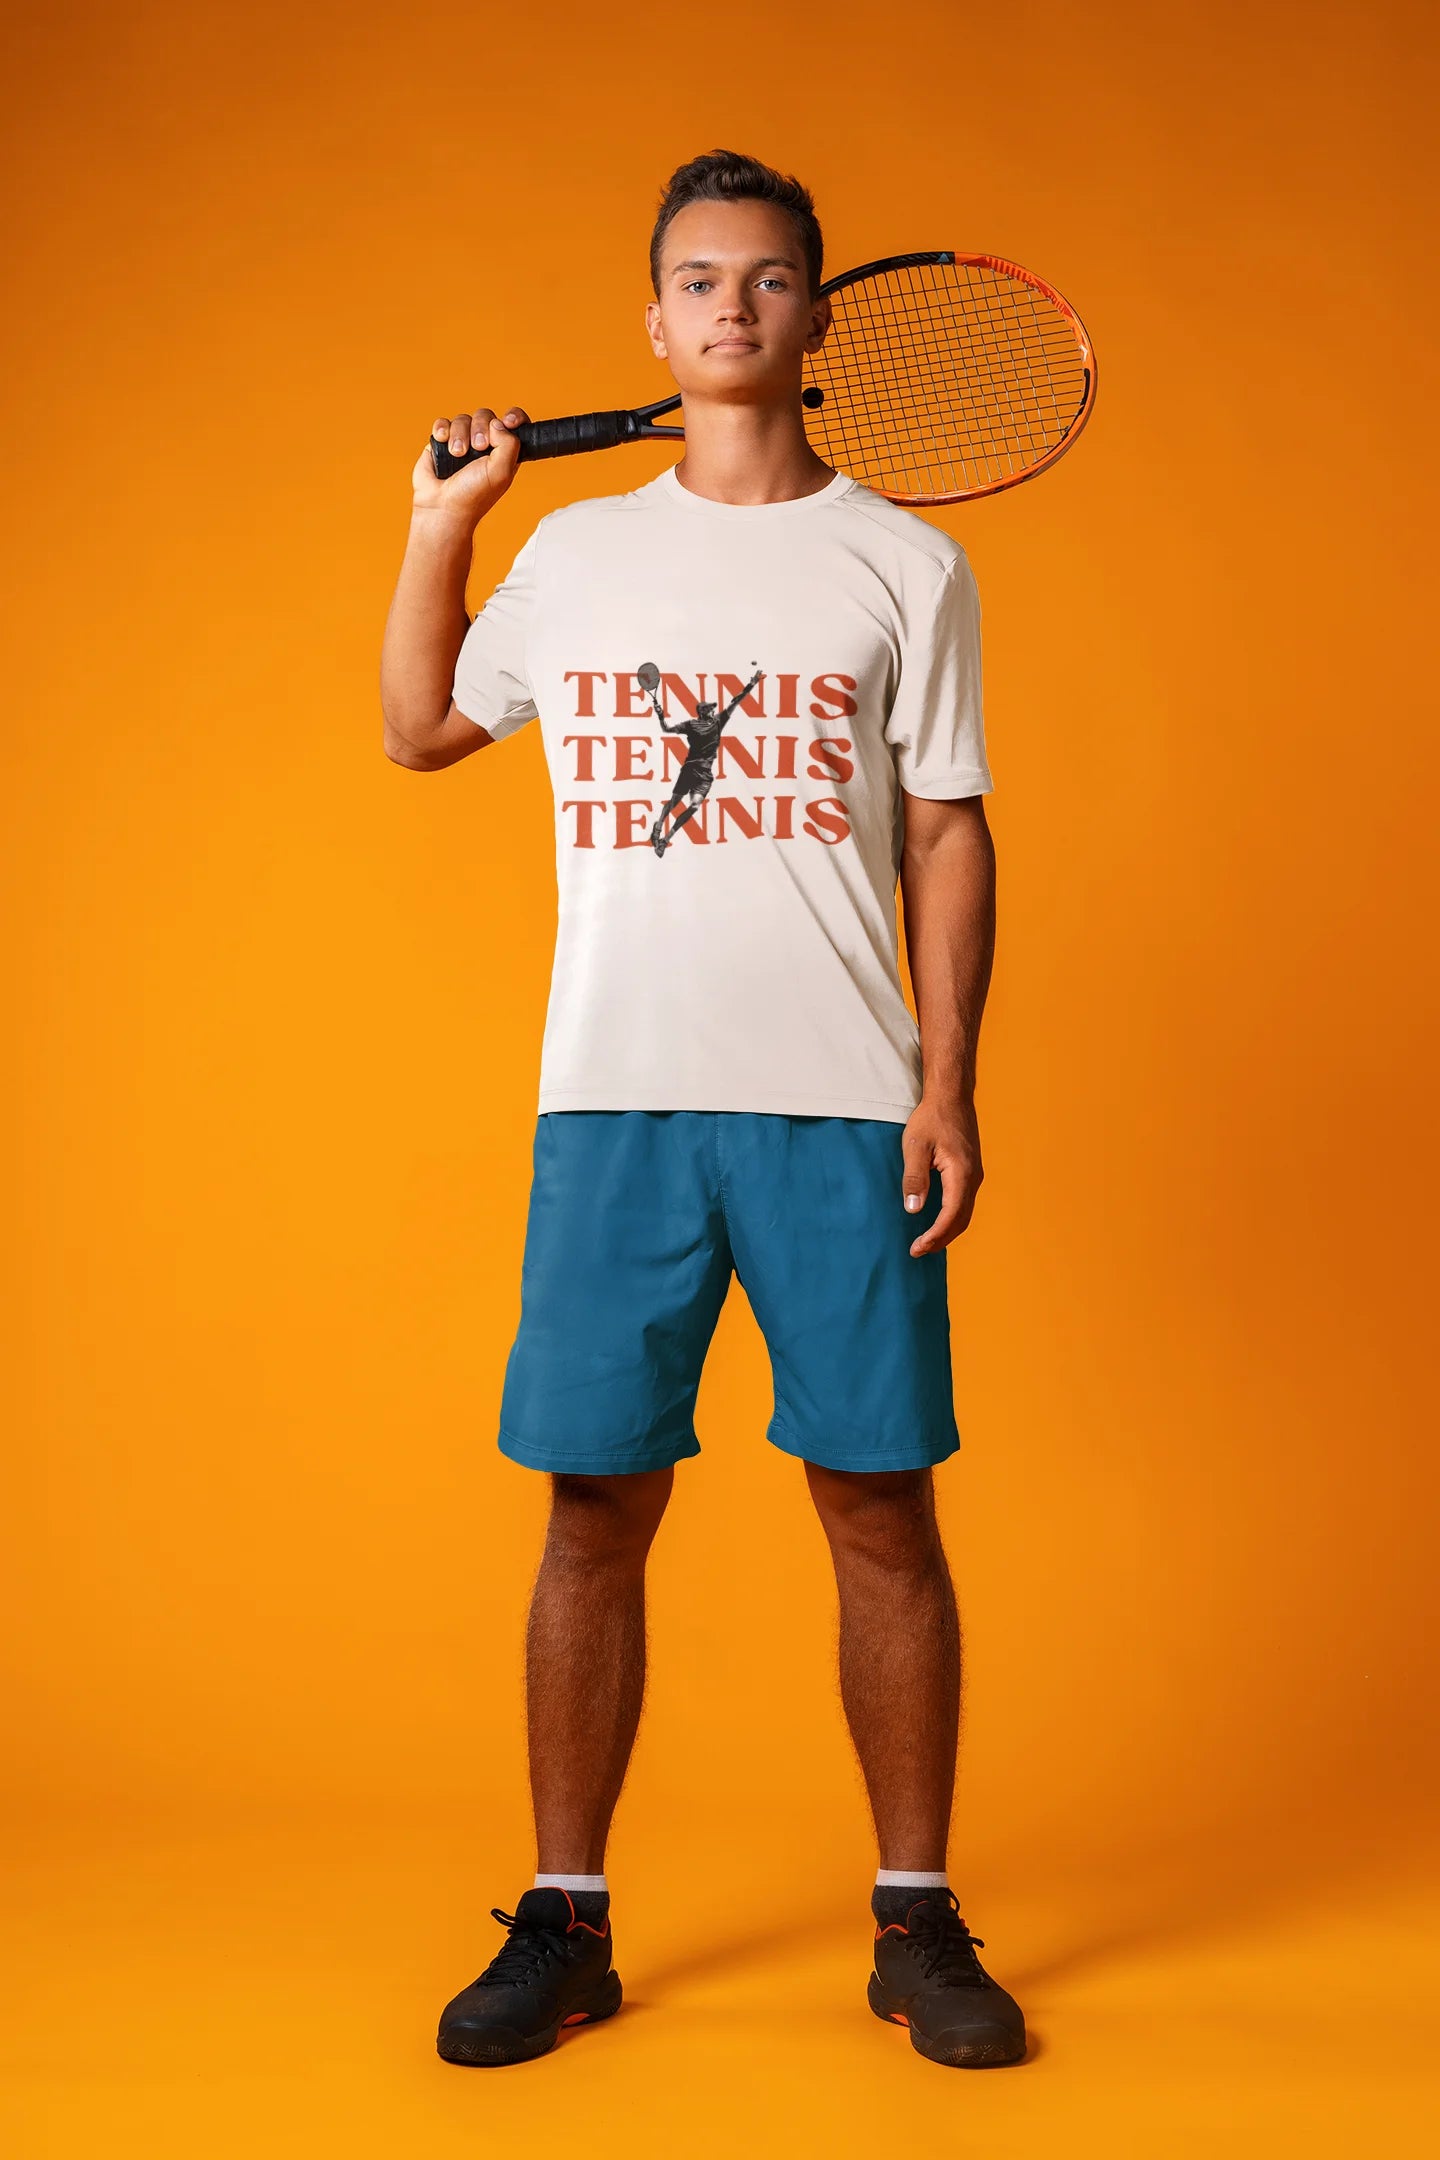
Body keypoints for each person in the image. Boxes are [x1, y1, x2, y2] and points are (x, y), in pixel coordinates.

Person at [379, 147, 1025, 2073]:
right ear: (650, 322)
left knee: (880, 1513)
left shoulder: (907, 562)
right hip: (616, 1108)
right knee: (592, 1512)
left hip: (841, 1109)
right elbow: (418, 729)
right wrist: (444, 528)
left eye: (765, 280)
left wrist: (949, 1083)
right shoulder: (574, 555)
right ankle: (565, 1920)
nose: (729, 307)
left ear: (818, 320)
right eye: (695, 281)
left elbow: (948, 825)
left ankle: (916, 1925)